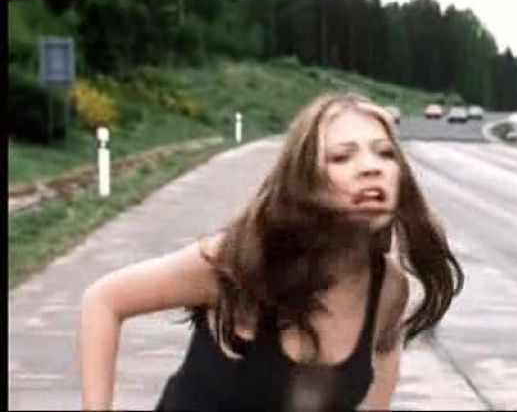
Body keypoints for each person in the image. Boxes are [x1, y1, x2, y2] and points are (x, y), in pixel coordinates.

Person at [79, 91, 465, 411]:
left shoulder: (388, 290)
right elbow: (104, 300)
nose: (371, 167)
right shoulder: (239, 260)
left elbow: (382, 369)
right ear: (305, 180)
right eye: (341, 156)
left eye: (385, 153)